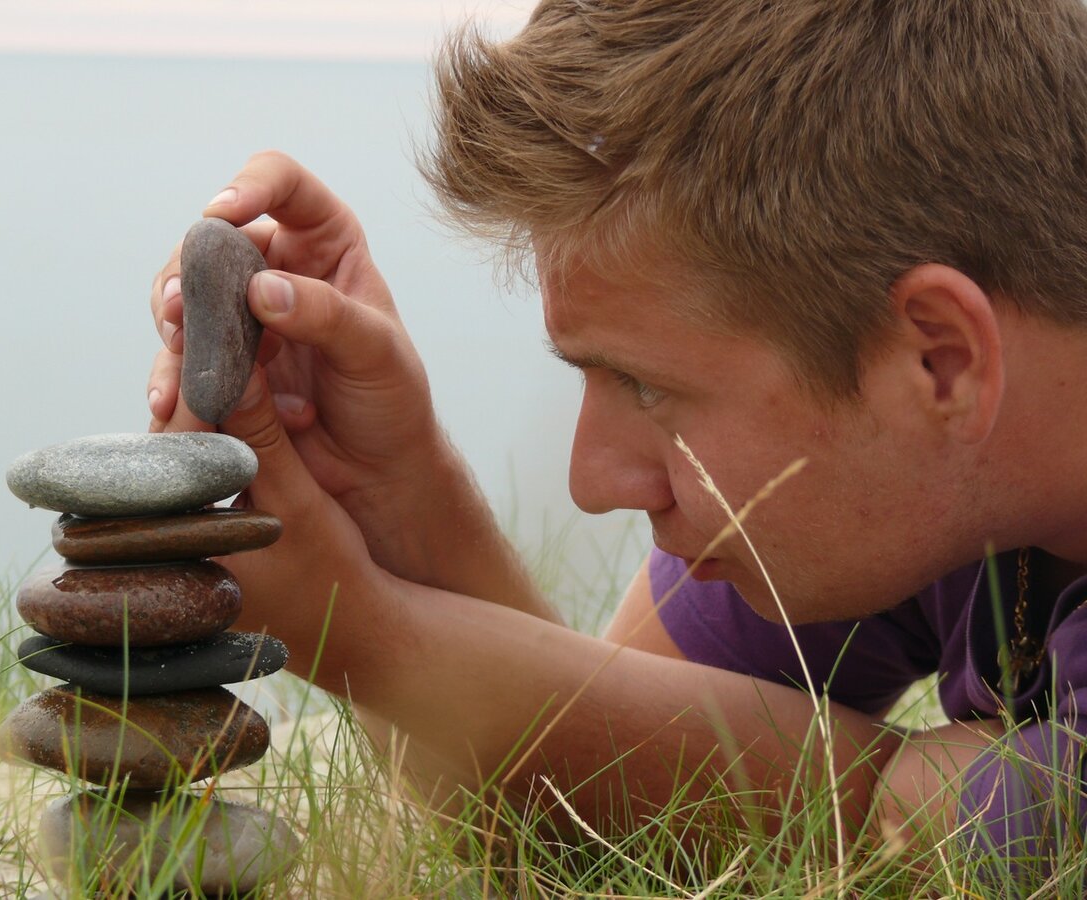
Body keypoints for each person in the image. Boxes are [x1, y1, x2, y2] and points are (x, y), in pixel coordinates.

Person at [147, 0, 1087, 882]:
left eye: (647, 385)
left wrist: (372, 636)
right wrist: (390, 497)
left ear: (941, 362)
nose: (592, 481)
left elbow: (904, 836)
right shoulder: (914, 479)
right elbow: (601, 816)